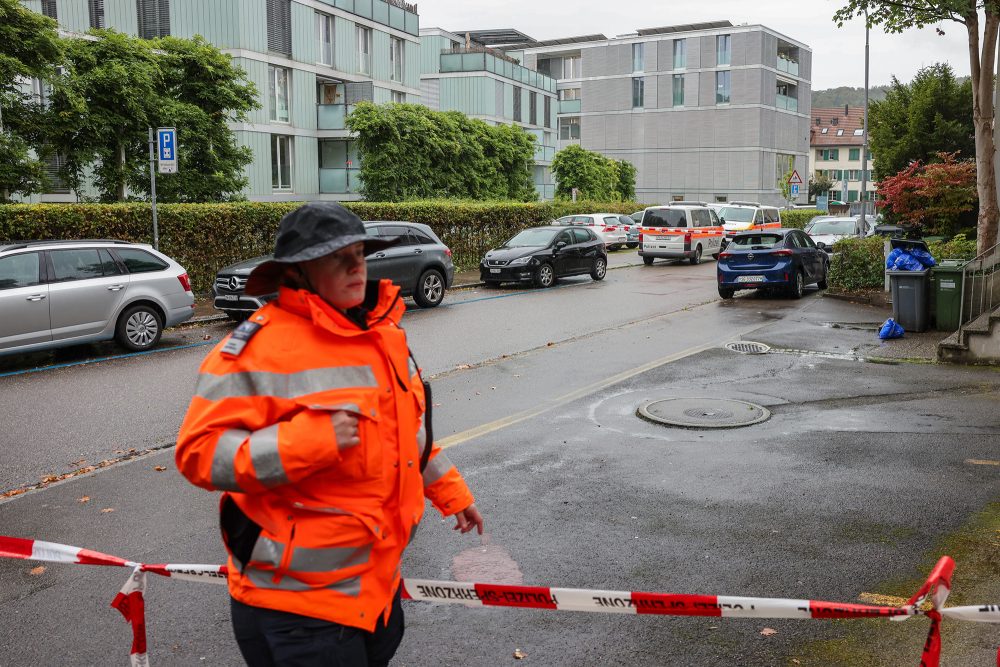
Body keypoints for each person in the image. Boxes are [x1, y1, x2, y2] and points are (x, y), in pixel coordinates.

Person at [175, 202, 483, 666]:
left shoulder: (383, 334)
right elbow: (198, 454)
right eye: (338, 257)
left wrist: (451, 493)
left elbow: (405, 433)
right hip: (295, 606)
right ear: (298, 271)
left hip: (373, 591)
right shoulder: (256, 348)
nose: (356, 267)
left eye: (360, 254)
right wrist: (310, 441)